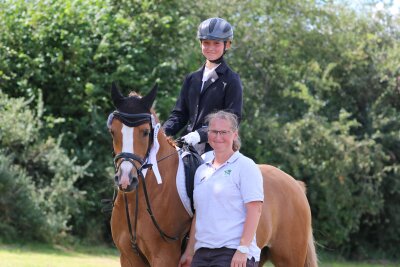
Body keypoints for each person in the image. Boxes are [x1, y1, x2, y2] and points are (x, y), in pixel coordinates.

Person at [179, 110, 264, 267]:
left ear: (234, 134)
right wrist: (190, 251)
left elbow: (255, 209)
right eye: (213, 132)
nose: (218, 137)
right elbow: (200, 214)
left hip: (232, 253)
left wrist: (243, 249)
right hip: (202, 253)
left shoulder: (245, 166)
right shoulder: (201, 170)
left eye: (223, 132)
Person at [163, 17, 243, 156]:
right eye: (206, 43)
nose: (211, 47)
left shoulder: (231, 80)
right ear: (201, 43)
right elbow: (179, 115)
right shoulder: (192, 78)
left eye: (216, 43)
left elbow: (232, 119)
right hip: (187, 145)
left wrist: (200, 135)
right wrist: (161, 133)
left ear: (227, 44)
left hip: (215, 149)